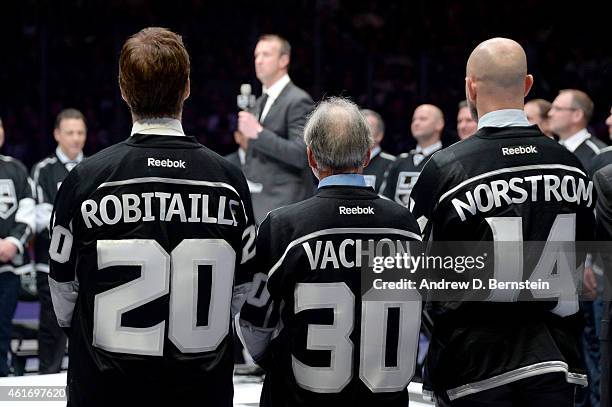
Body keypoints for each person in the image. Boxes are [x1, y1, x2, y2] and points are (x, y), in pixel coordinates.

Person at [48, 27, 256, 406]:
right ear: (187, 87)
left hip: (107, 387)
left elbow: (63, 295)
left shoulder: (85, 180)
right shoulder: (228, 181)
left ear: (123, 90)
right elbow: (244, 292)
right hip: (200, 386)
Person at [410, 37, 593, 406]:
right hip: (556, 362)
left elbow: (415, 269)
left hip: (474, 366)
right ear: (526, 85)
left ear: (470, 87)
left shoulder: (445, 168)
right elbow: (585, 264)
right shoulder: (571, 165)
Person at [238, 97, 422, 406]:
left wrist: (275, 362)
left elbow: (253, 325)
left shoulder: (283, 226)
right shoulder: (405, 225)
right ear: (366, 155)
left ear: (310, 157)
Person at [237, 34, 315, 224]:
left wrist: (258, 133)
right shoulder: (261, 101)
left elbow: (300, 155)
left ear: (283, 60)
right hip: (258, 199)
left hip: (284, 202)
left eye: (266, 55)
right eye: (256, 56)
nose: (259, 61)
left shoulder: (298, 100)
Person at [31, 108, 86, 374]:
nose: (76, 138)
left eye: (80, 132)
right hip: (49, 265)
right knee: (52, 331)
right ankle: (45, 386)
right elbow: (40, 217)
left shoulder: (94, 168)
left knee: (86, 331)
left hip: (86, 267)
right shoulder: (44, 170)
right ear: (57, 135)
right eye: (70, 133)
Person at [0, 116, 35, 376]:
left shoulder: (17, 170)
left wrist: (12, 242)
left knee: (3, 330)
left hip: (9, 269)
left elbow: (28, 212)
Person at [381, 104, 444, 207]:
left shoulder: (447, 159)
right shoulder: (400, 161)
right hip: (399, 221)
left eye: (423, 119)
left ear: (439, 124)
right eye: (414, 119)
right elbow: (386, 199)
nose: (416, 123)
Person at [550, 89, 606, 172]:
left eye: (557, 108)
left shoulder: (598, 154)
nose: (550, 113)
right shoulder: (550, 149)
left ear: (577, 115)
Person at [360, 108, 396, 192]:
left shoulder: (393, 164)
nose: (362, 131)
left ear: (379, 135)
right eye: (358, 126)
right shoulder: (345, 163)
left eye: (368, 127)